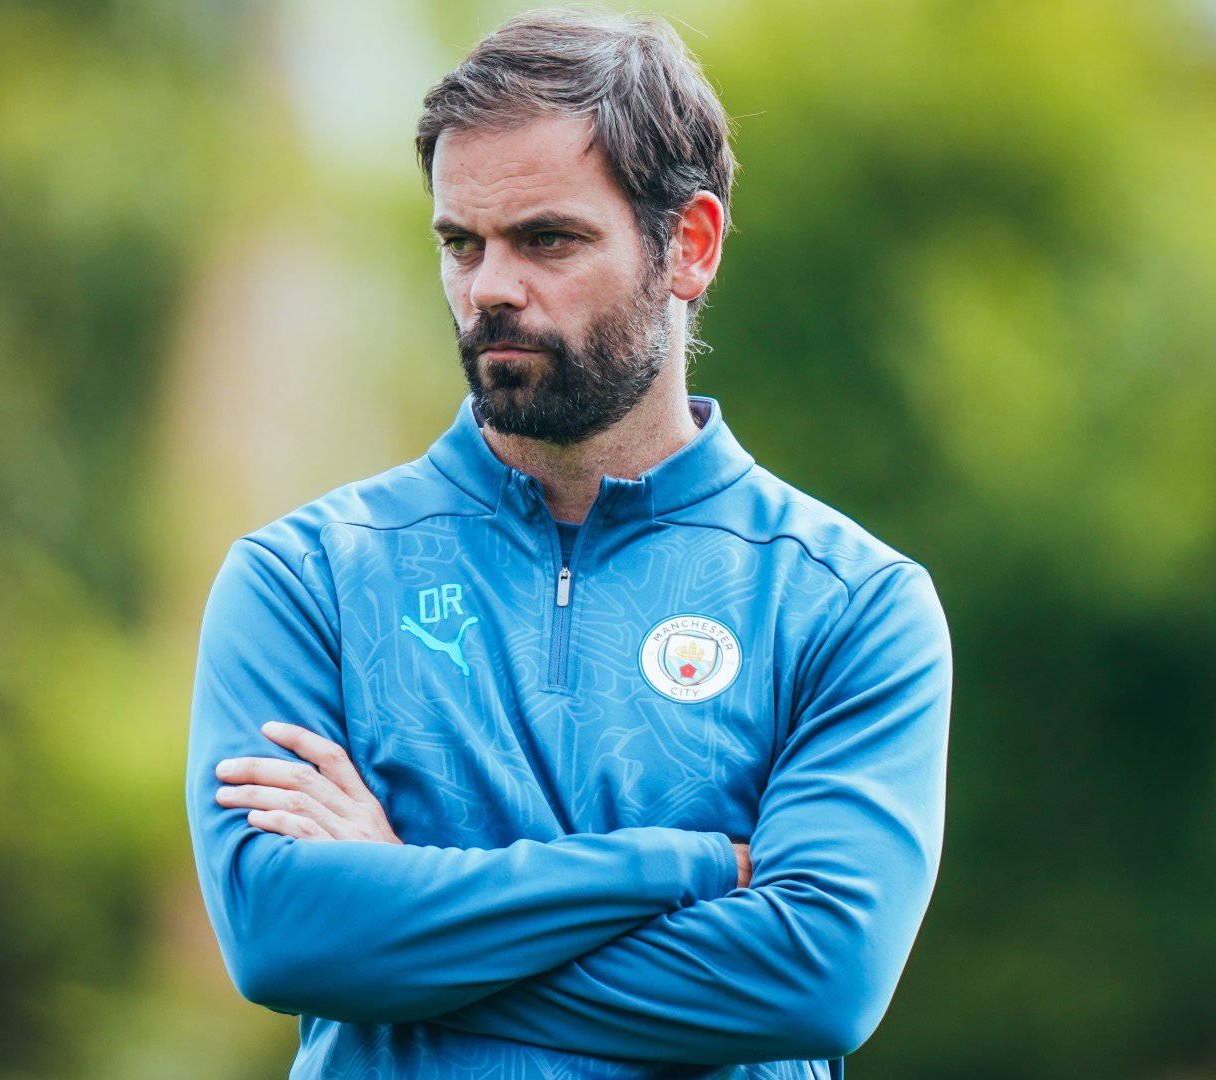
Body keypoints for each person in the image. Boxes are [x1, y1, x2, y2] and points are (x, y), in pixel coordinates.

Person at [185, 10, 952, 1078]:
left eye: (546, 239)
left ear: (689, 245)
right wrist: (679, 869)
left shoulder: (850, 604)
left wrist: (406, 905)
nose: (491, 286)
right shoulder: (304, 579)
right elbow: (283, 937)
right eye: (462, 243)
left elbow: (818, 979)